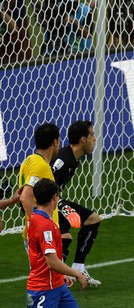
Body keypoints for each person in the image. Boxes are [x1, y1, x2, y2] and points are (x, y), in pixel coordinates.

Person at [51, 120, 101, 286]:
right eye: (92, 135)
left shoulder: (73, 158)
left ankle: (78, 268)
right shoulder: (63, 160)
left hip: (55, 201)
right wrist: (62, 206)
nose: (94, 139)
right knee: (65, 238)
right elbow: (44, 186)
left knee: (93, 219)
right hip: (46, 204)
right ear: (83, 140)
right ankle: (56, 277)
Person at [26, 179, 88, 307]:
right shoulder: (44, 225)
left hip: (57, 285)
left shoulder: (36, 217)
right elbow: (52, 262)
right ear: (54, 197)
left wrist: (60, 275)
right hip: (43, 290)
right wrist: (77, 274)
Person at [19, 123, 61, 251]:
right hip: (43, 236)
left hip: (39, 233)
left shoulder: (30, 160)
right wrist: (41, 225)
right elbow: (25, 197)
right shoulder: (40, 166)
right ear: (54, 142)